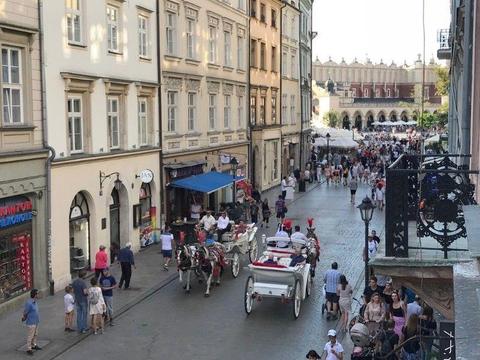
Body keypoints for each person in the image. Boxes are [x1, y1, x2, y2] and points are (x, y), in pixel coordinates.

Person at [22, 289, 41, 355]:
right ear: (35, 295)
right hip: (31, 322)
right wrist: (24, 318)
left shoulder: (35, 301)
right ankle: (29, 349)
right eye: (38, 294)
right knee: (30, 336)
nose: (39, 295)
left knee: (35, 334)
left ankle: (34, 345)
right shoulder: (29, 303)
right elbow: (25, 312)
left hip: (36, 321)